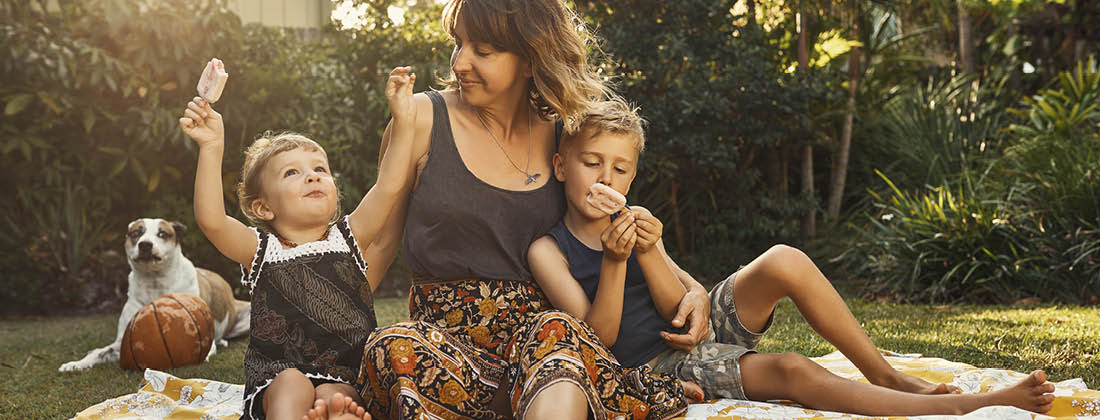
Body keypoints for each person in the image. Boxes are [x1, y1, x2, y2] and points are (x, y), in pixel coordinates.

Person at [526, 98, 1059, 416]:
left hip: (692, 330)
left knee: (784, 257)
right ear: (560, 166)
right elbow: (597, 343)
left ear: (633, 176)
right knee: (790, 369)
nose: (606, 179)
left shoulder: (636, 223)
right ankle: (956, 408)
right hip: (652, 362)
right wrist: (619, 262)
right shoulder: (549, 250)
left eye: (620, 169)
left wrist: (669, 271)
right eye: (592, 162)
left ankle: (885, 374)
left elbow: (682, 297)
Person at [355, 1, 712, 419]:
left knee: (556, 338)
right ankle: (592, 394)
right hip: (445, 349)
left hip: (545, 342)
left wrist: (694, 290)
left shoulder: (567, 134)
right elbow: (377, 245)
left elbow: (616, 222)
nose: (461, 62)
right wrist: (329, 357)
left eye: (483, 50)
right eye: (459, 44)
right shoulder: (418, 118)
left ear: (530, 58)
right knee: (390, 347)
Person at [179, 67, 418, 420]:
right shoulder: (261, 249)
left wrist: (404, 120)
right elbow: (212, 220)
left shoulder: (349, 237)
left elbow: (389, 185)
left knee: (339, 396)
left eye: (319, 169)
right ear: (263, 207)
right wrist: (212, 146)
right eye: (291, 172)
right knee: (292, 383)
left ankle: (336, 414)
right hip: (278, 375)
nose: (311, 175)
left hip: (345, 373)